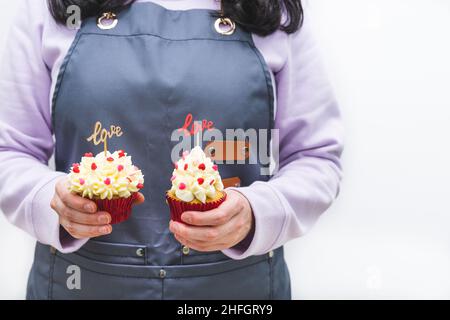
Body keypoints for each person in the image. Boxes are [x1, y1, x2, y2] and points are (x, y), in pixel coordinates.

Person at [0, 0, 343, 299]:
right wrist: (51, 200)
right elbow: (9, 149)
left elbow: (315, 156)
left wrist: (258, 213)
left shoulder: (274, 11)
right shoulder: (52, 8)